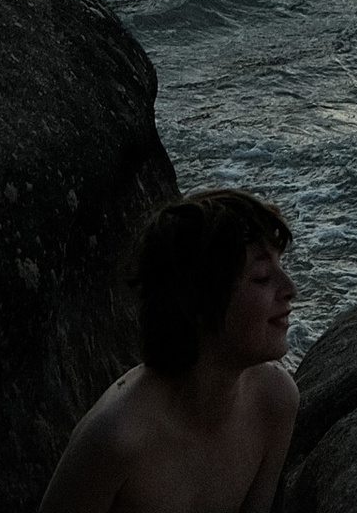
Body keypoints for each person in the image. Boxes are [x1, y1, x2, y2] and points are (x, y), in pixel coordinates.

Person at [39, 186, 301, 513]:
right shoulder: (118, 438)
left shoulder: (275, 402)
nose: (290, 289)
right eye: (262, 277)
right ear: (198, 305)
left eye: (280, 267)